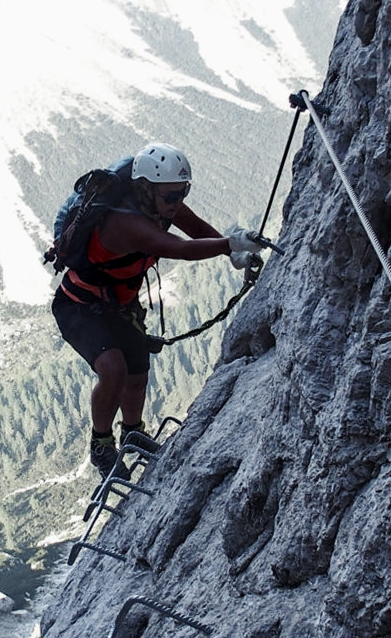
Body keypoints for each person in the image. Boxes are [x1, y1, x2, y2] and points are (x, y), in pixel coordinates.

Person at [51, 143, 260, 477]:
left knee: (137, 373)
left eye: (183, 192)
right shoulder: (125, 223)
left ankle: (133, 432)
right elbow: (177, 247)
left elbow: (195, 228)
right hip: (79, 306)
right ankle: (101, 446)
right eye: (172, 196)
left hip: (118, 305)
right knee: (114, 370)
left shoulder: (162, 206)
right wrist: (229, 244)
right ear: (146, 190)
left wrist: (229, 252)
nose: (178, 202)